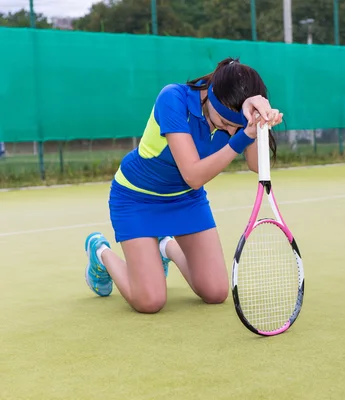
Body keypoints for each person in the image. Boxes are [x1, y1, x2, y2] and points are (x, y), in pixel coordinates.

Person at [84, 57, 283, 314]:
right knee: (150, 301)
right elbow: (192, 174)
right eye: (225, 124)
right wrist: (244, 135)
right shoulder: (173, 99)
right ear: (212, 97)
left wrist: (259, 123)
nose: (232, 132)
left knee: (215, 292)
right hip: (136, 199)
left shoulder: (237, 124)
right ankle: (99, 252)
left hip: (186, 199)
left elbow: (256, 165)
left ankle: (164, 246)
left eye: (238, 127)